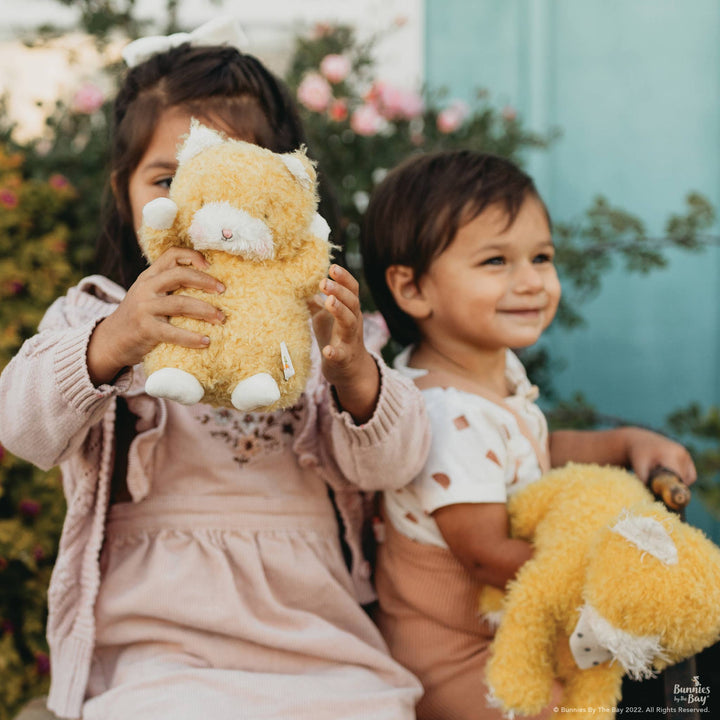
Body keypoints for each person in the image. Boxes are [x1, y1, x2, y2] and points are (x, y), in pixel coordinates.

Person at [0, 19, 430, 720]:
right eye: (169, 178)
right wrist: (114, 341)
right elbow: (20, 426)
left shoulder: (316, 314)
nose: (210, 211)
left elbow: (396, 462)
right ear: (124, 191)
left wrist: (353, 373)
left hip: (317, 633)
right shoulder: (100, 312)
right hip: (161, 641)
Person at [359, 149, 697, 720]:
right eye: (495, 261)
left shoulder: (487, 372)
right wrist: (608, 572)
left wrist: (623, 444)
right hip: (455, 659)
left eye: (541, 257)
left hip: (507, 636)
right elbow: (488, 557)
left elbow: (529, 453)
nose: (531, 281)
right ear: (412, 289)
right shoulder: (444, 412)